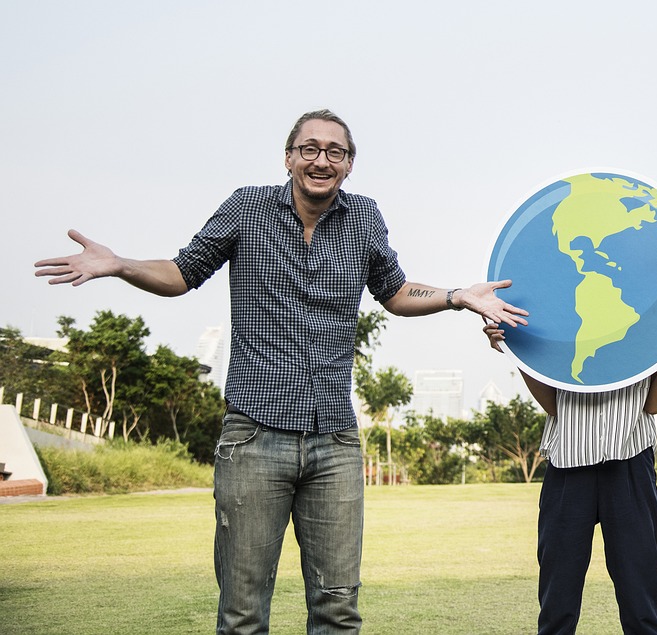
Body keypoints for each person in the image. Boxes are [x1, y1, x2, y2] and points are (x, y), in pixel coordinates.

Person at [34, 109, 528, 634]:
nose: (321, 159)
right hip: (253, 438)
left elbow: (396, 292)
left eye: (335, 151)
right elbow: (184, 272)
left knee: (338, 611)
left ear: (349, 165)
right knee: (243, 614)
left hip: (334, 441)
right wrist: (120, 264)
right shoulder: (247, 208)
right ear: (289, 157)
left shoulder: (364, 218)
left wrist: (458, 296)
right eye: (309, 148)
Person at [483, 304, 657, 635]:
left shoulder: (641, 320)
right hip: (568, 462)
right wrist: (518, 352)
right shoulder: (562, 322)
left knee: (641, 605)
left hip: (630, 462)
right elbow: (553, 405)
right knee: (557, 607)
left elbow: (654, 405)